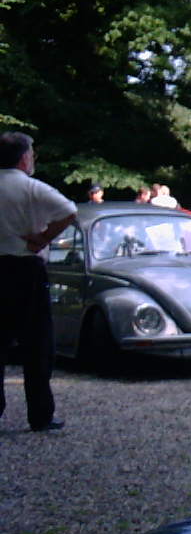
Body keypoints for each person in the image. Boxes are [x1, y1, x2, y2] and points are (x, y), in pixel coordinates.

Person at [0, 133, 77, 431]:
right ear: (24, 158)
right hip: (26, 268)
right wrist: (44, 237)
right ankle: (40, 413)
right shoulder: (32, 188)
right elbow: (68, 211)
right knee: (37, 343)